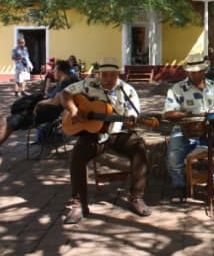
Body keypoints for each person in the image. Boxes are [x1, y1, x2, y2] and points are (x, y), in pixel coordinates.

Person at [60, 57, 151, 224]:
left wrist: (131, 119)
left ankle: (136, 197)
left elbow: (133, 113)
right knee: (77, 157)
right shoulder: (87, 84)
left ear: (118, 74)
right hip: (93, 134)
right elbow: (65, 93)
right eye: (105, 75)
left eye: (113, 75)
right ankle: (79, 204)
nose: (108, 79)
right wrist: (73, 110)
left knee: (140, 148)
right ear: (98, 74)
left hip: (119, 132)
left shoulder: (127, 90)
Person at [164, 53, 214, 201]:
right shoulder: (177, 89)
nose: (195, 74)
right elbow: (167, 114)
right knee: (173, 154)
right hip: (186, 132)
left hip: (213, 132)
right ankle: (179, 185)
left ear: (204, 70)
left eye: (199, 71)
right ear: (187, 71)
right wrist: (187, 116)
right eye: (192, 71)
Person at [0, 60, 76, 157]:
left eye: (55, 70)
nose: (53, 72)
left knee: (8, 121)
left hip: (46, 114)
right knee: (6, 119)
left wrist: (39, 103)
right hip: (46, 112)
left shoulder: (66, 83)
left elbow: (55, 101)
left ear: (61, 71)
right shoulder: (66, 81)